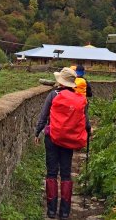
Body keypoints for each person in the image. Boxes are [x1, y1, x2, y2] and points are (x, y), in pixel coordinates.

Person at [35, 67, 90, 219]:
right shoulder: (79, 99)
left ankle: (51, 211)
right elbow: (86, 123)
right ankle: (65, 212)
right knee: (66, 174)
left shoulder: (53, 95)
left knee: (52, 172)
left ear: (60, 81)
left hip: (51, 138)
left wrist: (37, 132)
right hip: (69, 139)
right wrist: (87, 133)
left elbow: (43, 116)